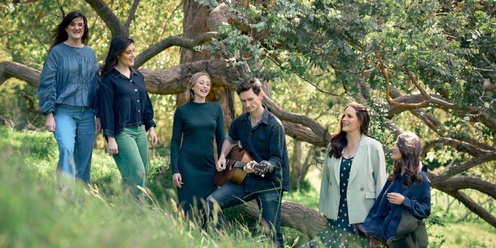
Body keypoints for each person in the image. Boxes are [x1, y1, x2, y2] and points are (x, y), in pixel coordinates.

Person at [206, 78, 290, 248]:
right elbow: (230, 138)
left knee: (272, 232)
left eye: (250, 99)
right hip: (244, 180)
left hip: (269, 184)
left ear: (261, 96)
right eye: (243, 101)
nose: (247, 104)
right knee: (211, 203)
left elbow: (276, 160)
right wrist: (222, 156)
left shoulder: (275, 126)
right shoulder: (241, 121)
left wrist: (262, 167)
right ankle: (225, 243)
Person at [305, 102, 387, 247]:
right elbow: (326, 181)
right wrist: (325, 211)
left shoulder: (373, 147)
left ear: (360, 121)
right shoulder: (334, 145)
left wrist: (379, 226)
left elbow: (381, 188)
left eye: (350, 116)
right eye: (344, 115)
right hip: (335, 216)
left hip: (361, 218)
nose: (344, 119)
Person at [38, 11, 100, 186]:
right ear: (66, 27)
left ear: (85, 28)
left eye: (80, 24)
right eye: (73, 24)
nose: (77, 28)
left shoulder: (90, 53)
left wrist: (99, 114)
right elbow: (47, 83)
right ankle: (64, 197)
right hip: (63, 111)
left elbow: (96, 85)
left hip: (87, 114)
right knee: (66, 149)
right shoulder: (57, 52)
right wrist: (49, 113)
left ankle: (79, 202)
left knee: (84, 158)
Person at [99, 36, 158, 199]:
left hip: (140, 131)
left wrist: (151, 127)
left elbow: (145, 102)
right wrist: (110, 137)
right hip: (122, 132)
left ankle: (126, 214)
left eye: (133, 51)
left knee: (140, 174)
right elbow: (106, 110)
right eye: (128, 52)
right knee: (137, 172)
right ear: (118, 54)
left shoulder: (138, 75)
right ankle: (139, 213)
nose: (132, 55)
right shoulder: (109, 79)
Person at [359, 132, 431, 247]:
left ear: (406, 149)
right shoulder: (395, 176)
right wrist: (377, 235)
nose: (393, 148)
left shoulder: (421, 180)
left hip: (408, 243)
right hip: (391, 240)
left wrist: (404, 201)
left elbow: (425, 209)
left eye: (397, 145)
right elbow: (381, 207)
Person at [170, 72, 225, 216]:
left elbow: (220, 138)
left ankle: (212, 237)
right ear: (192, 86)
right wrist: (175, 170)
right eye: (201, 83)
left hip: (208, 166)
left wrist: (222, 158)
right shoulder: (182, 111)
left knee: (211, 209)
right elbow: (175, 141)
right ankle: (187, 237)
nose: (205, 86)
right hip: (187, 166)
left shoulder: (216, 109)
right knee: (188, 210)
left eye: (208, 84)